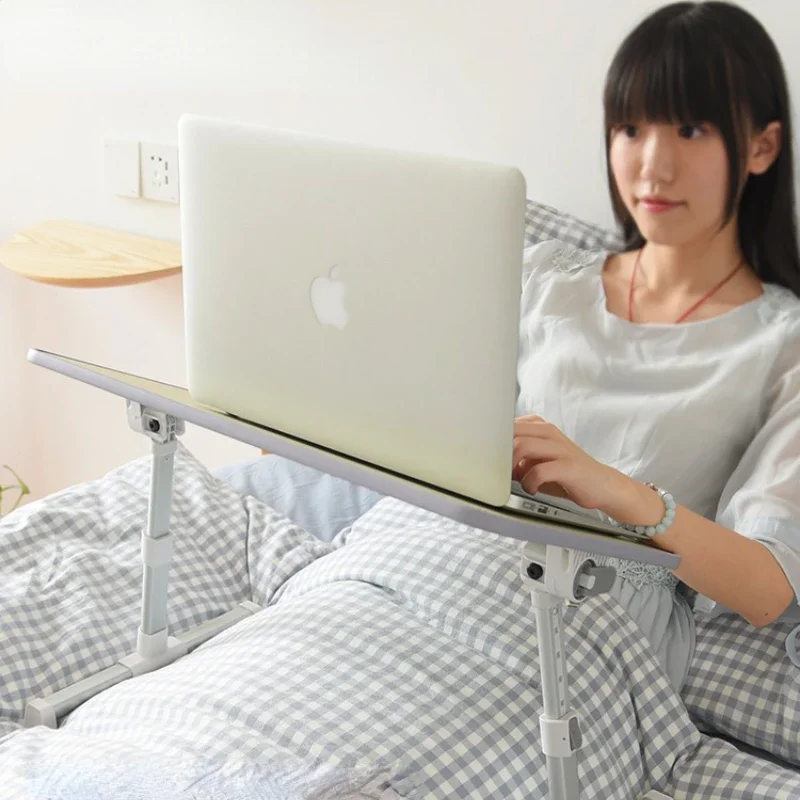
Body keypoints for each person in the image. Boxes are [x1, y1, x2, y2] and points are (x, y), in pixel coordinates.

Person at [512, 0, 800, 692]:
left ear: (762, 147)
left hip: (584, 630)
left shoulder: (782, 345)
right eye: (630, 129)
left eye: (691, 129)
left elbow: (766, 588)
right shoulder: (545, 279)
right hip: (425, 562)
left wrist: (618, 491)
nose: (651, 167)